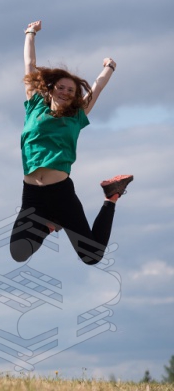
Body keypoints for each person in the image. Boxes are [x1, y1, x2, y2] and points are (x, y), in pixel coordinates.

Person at [9, 20, 132, 265]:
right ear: (52, 88)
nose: (65, 92)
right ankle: (49, 225)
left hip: (61, 193)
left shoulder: (76, 115)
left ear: (75, 96)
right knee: (19, 254)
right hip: (32, 193)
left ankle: (111, 196)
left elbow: (97, 89)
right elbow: (30, 65)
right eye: (62, 87)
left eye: (71, 90)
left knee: (91, 256)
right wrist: (30, 33)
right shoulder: (35, 104)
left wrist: (109, 67)